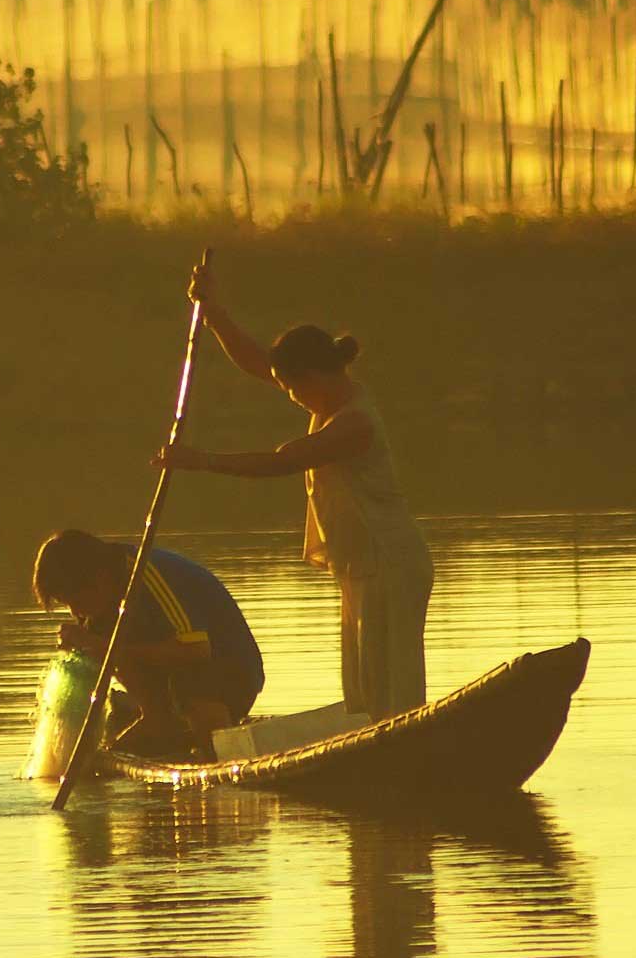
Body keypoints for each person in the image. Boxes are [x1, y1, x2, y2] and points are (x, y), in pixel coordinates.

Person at [153, 257, 434, 720]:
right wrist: (212, 310)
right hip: (359, 565)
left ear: (317, 376)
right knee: (363, 685)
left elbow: (281, 462)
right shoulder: (322, 397)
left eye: (292, 388)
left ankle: (406, 750)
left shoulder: (354, 423)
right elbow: (254, 360)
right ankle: (373, 748)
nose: (289, 396)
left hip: (391, 562)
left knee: (392, 687)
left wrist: (200, 461)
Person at [32, 529, 264, 759]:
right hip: (170, 677)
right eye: (66, 603)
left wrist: (104, 647)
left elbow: (197, 651)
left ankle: (210, 741)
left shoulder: (147, 575)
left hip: (229, 670)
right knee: (102, 648)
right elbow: (109, 656)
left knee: (186, 685)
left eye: (76, 599)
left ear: (100, 578)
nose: (75, 611)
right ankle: (156, 718)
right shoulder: (97, 605)